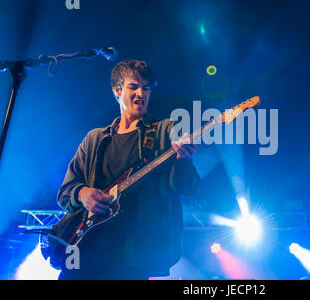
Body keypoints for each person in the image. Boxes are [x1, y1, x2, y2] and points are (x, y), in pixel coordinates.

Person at [56, 60, 201, 279]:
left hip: (132, 259)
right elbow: (65, 192)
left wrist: (184, 159)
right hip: (83, 253)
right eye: (134, 86)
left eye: (147, 88)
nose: (141, 93)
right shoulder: (95, 139)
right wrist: (84, 194)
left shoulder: (165, 130)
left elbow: (185, 187)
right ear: (117, 90)